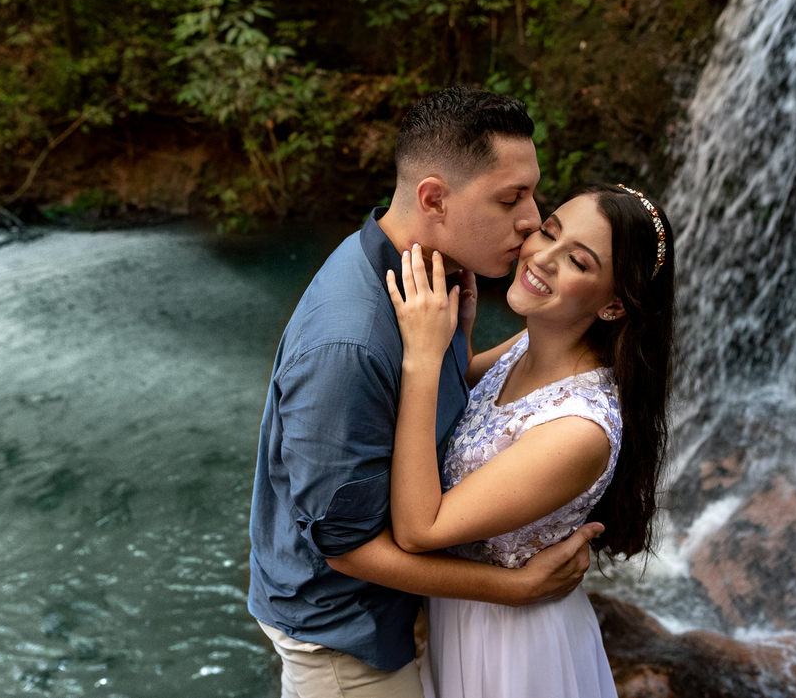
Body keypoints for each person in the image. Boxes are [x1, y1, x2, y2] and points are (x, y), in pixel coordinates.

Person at [247, 87, 605, 698]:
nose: (530, 220)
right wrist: (515, 588)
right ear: (434, 198)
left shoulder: (421, 285)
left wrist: (456, 345)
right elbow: (343, 548)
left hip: (393, 623)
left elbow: (420, 413)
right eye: (510, 198)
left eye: (531, 191)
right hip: (345, 647)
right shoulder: (350, 344)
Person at [385, 183, 674, 698]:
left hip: (513, 652)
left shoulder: (578, 431)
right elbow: (460, 415)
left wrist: (425, 357)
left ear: (612, 305)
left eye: (578, 262)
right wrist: (459, 338)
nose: (542, 257)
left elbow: (418, 529)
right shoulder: (527, 344)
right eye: (548, 231)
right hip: (465, 621)